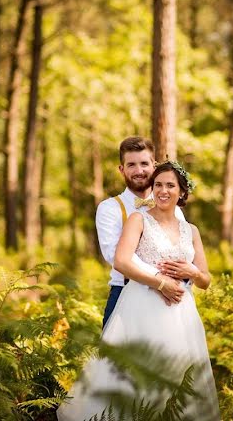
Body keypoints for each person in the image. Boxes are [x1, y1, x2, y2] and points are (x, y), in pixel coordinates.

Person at [57, 160, 221, 421]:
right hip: (143, 306)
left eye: (170, 185)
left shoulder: (191, 230)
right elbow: (121, 261)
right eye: (158, 185)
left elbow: (206, 279)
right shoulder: (139, 219)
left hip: (182, 313)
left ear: (182, 191)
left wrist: (194, 273)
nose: (163, 190)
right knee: (137, 374)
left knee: (179, 376)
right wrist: (161, 283)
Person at [94, 136, 186, 327]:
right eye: (131, 165)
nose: (139, 171)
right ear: (122, 169)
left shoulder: (173, 206)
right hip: (125, 293)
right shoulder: (109, 208)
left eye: (144, 163)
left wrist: (183, 279)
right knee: (120, 357)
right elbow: (114, 255)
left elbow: (183, 248)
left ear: (154, 165)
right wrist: (159, 280)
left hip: (170, 298)